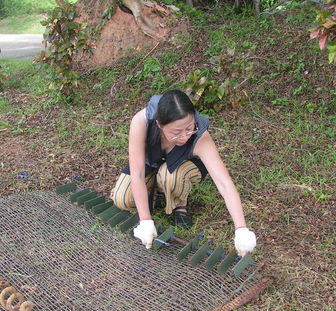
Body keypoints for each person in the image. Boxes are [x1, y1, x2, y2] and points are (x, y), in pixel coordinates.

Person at [110, 89, 256, 256]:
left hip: (183, 165)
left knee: (170, 177)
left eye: (189, 128)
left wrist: (241, 229)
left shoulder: (200, 135)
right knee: (122, 199)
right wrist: (145, 221)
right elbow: (136, 174)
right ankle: (158, 191)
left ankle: (180, 202)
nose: (184, 136)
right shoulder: (142, 122)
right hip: (152, 161)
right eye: (176, 132)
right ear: (159, 125)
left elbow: (224, 184)